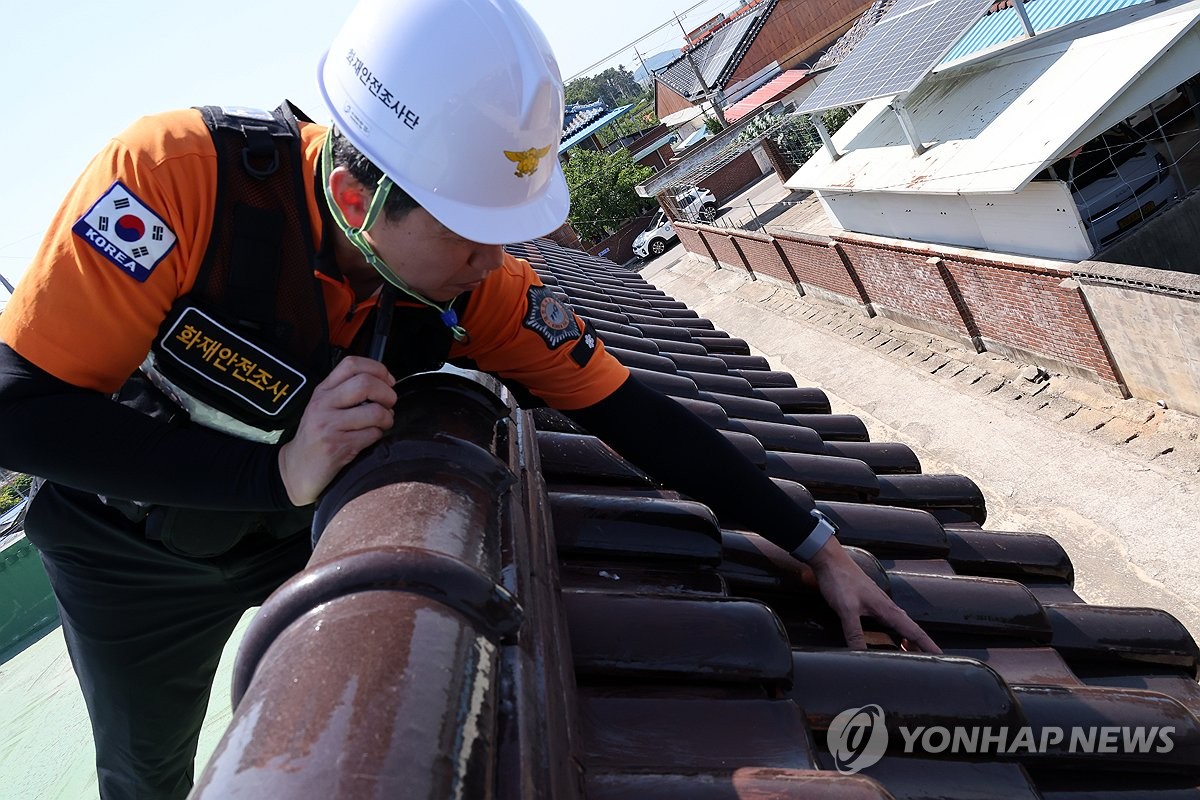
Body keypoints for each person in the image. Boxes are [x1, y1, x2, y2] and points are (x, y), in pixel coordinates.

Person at [0, 0, 940, 796]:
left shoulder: (472, 284)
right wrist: (276, 472)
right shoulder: (174, 181)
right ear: (357, 195)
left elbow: (631, 410)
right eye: (468, 236)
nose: (496, 264)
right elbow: (16, 407)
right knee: (147, 770)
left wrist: (812, 541)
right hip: (133, 555)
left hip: (301, 525)